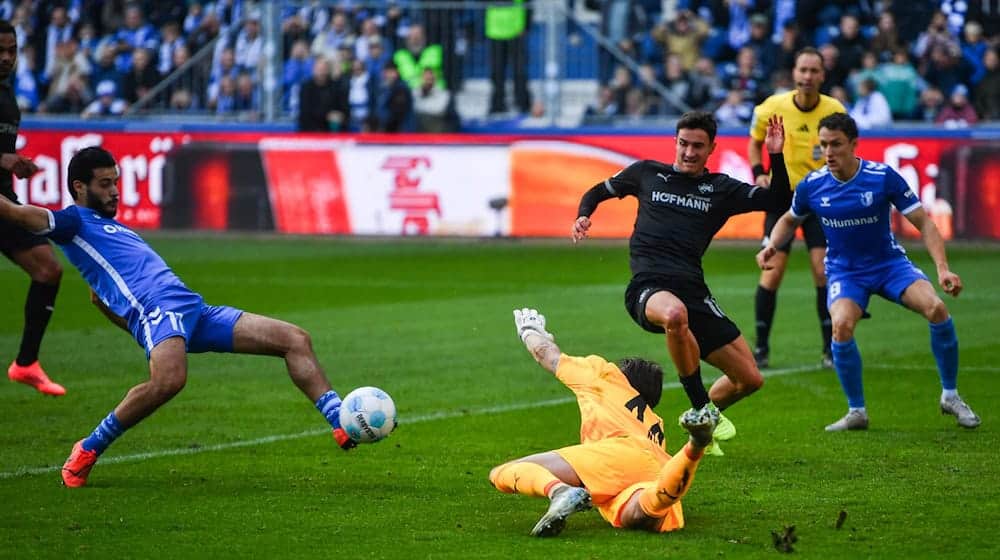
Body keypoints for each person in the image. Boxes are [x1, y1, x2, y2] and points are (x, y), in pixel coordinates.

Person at [0, 147, 362, 488]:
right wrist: (146, 328)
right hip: (159, 310)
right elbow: (17, 214)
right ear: (79, 187)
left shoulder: (113, 227)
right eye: (105, 184)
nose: (115, 192)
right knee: (169, 380)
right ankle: (89, 448)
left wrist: (140, 331)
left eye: (116, 182)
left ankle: (340, 423)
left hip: (194, 310)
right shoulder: (72, 221)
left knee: (294, 339)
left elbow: (100, 298)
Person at [571, 111, 791, 455]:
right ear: (675, 142)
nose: (689, 152)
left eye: (697, 146)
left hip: (694, 292)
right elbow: (598, 191)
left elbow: (779, 201)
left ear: (711, 149)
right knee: (674, 314)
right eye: (683, 144)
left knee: (749, 379)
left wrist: (775, 155)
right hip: (648, 287)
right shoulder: (646, 173)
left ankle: (698, 418)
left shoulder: (720, 189)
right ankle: (701, 406)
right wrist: (584, 214)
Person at [757, 113, 980, 432]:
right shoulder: (813, 185)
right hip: (845, 272)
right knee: (842, 326)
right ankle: (856, 412)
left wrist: (943, 269)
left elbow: (924, 223)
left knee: (936, 308)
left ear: (853, 144)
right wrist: (771, 245)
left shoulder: (881, 177)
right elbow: (790, 219)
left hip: (889, 265)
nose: (829, 152)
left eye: (836, 144)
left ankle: (951, 396)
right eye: (823, 145)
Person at [490, 308, 719, 537]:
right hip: (657, 466)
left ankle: (558, 491)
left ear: (622, 376)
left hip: (615, 454)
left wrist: (530, 330)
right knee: (640, 512)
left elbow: (544, 353)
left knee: (503, 473)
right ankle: (693, 448)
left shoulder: (607, 377)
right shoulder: (654, 423)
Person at [747, 47, 846, 370]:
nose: (807, 76)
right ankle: (761, 348)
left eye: (813, 71)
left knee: (822, 272)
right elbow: (754, 140)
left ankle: (830, 350)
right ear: (794, 72)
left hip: (821, 200)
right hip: (783, 199)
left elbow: (845, 149)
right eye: (802, 70)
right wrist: (758, 172)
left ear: (822, 75)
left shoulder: (834, 111)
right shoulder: (772, 107)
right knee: (772, 272)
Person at [0, 20, 65, 396]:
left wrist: (11, 164)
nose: (7, 57)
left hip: (4, 204)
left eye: (13, 50)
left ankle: (26, 363)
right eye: (0, 51)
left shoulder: (7, 95)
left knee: (48, 269)